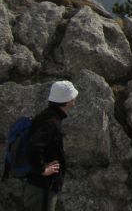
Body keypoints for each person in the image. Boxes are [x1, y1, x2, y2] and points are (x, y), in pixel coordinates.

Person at [23, 80, 78, 211]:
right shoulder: (51, 122)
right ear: (66, 100)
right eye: (72, 96)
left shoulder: (49, 116)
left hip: (42, 186)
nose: (75, 98)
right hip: (42, 188)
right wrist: (42, 169)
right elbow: (33, 146)